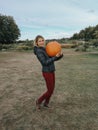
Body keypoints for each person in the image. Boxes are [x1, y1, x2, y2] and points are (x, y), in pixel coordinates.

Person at [33, 35, 63, 109]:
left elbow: (52, 58)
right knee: (50, 91)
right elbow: (45, 62)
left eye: (42, 40)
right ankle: (39, 101)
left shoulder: (44, 49)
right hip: (47, 72)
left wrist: (59, 56)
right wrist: (55, 57)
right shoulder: (39, 51)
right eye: (39, 41)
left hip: (51, 70)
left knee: (51, 90)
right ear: (36, 43)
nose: (41, 42)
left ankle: (46, 103)